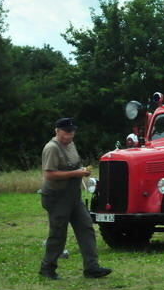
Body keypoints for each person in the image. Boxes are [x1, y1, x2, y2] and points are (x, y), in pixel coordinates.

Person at [39, 117, 112, 280]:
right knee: (58, 233)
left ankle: (92, 268)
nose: (70, 136)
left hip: (73, 196)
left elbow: (72, 165)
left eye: (72, 133)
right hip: (57, 197)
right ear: (57, 131)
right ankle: (47, 268)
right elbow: (49, 174)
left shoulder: (71, 145)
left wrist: (82, 170)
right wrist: (75, 173)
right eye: (66, 133)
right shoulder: (52, 148)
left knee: (86, 228)